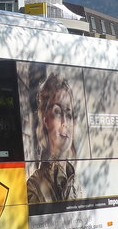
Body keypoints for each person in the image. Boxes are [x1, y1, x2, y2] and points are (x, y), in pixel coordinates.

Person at [27, 72, 82, 203]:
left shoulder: (75, 182)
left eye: (68, 115)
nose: (65, 122)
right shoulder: (33, 187)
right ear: (45, 120)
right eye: (57, 112)